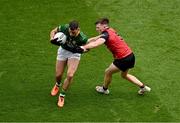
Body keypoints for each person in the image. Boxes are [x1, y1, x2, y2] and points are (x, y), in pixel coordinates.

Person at [80, 18, 151, 95]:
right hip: (130, 55)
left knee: (108, 72)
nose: (96, 29)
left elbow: (96, 43)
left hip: (122, 59)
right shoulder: (110, 30)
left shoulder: (106, 35)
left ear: (104, 26)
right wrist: (84, 43)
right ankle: (143, 87)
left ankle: (104, 89)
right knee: (124, 75)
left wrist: (83, 48)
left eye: (98, 27)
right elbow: (96, 39)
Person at [50, 20, 88, 108]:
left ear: (78, 29)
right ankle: (57, 85)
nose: (71, 34)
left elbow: (88, 48)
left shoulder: (83, 38)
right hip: (63, 51)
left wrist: (81, 50)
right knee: (58, 74)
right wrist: (52, 38)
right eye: (70, 32)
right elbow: (53, 31)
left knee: (70, 75)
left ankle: (62, 95)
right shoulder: (64, 27)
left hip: (74, 54)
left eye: (73, 32)